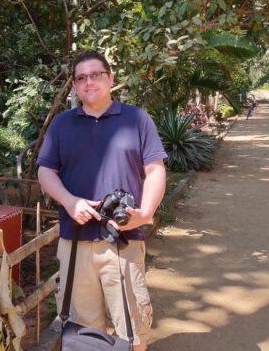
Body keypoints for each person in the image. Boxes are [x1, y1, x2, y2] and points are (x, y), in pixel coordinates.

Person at [37, 50, 167, 351]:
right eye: (80, 77)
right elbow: (46, 172)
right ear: (73, 86)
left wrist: (145, 212)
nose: (88, 82)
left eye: (96, 75)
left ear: (110, 78)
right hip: (75, 239)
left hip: (123, 239)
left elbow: (155, 169)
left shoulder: (137, 119)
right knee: (83, 330)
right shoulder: (61, 124)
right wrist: (70, 202)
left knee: (132, 326)